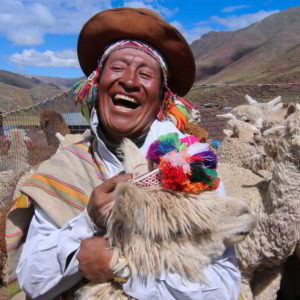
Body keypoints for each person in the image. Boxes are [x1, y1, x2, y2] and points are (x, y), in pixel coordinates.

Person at [16, 7, 240, 300]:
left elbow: (223, 288)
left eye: (146, 74)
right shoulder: (62, 171)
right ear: (95, 85)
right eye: (118, 68)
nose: (130, 81)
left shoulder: (193, 170)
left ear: (162, 97)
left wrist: (124, 268)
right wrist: (87, 222)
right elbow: (32, 282)